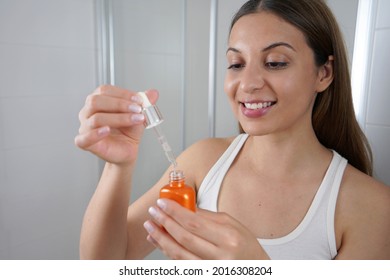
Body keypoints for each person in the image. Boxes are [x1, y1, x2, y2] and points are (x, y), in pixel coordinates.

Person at [75, 0, 390, 260]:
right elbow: (105, 263)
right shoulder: (203, 161)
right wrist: (119, 167)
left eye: (276, 62)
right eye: (236, 64)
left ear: (324, 73)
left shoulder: (370, 207)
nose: (248, 83)